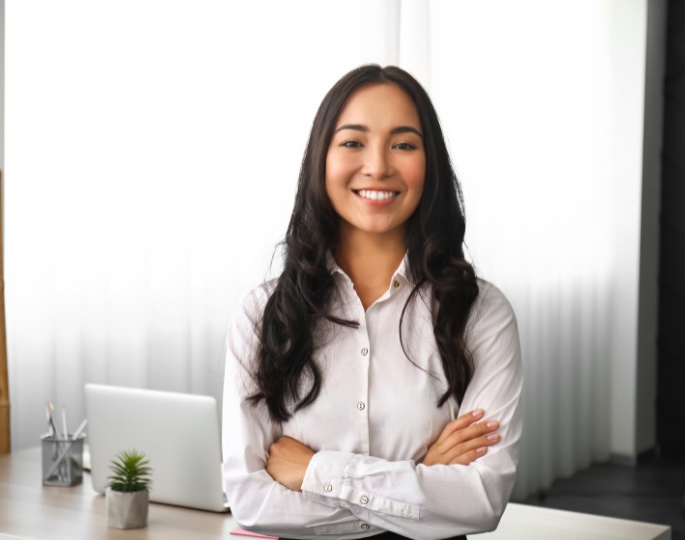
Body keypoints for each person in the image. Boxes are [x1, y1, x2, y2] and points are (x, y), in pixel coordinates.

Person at [222, 64, 522, 540]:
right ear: (322, 158)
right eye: (353, 142)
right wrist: (419, 477)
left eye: (403, 144)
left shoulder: (481, 313)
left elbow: (481, 501)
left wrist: (317, 473)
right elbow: (251, 500)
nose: (378, 166)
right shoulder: (261, 316)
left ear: (432, 164)